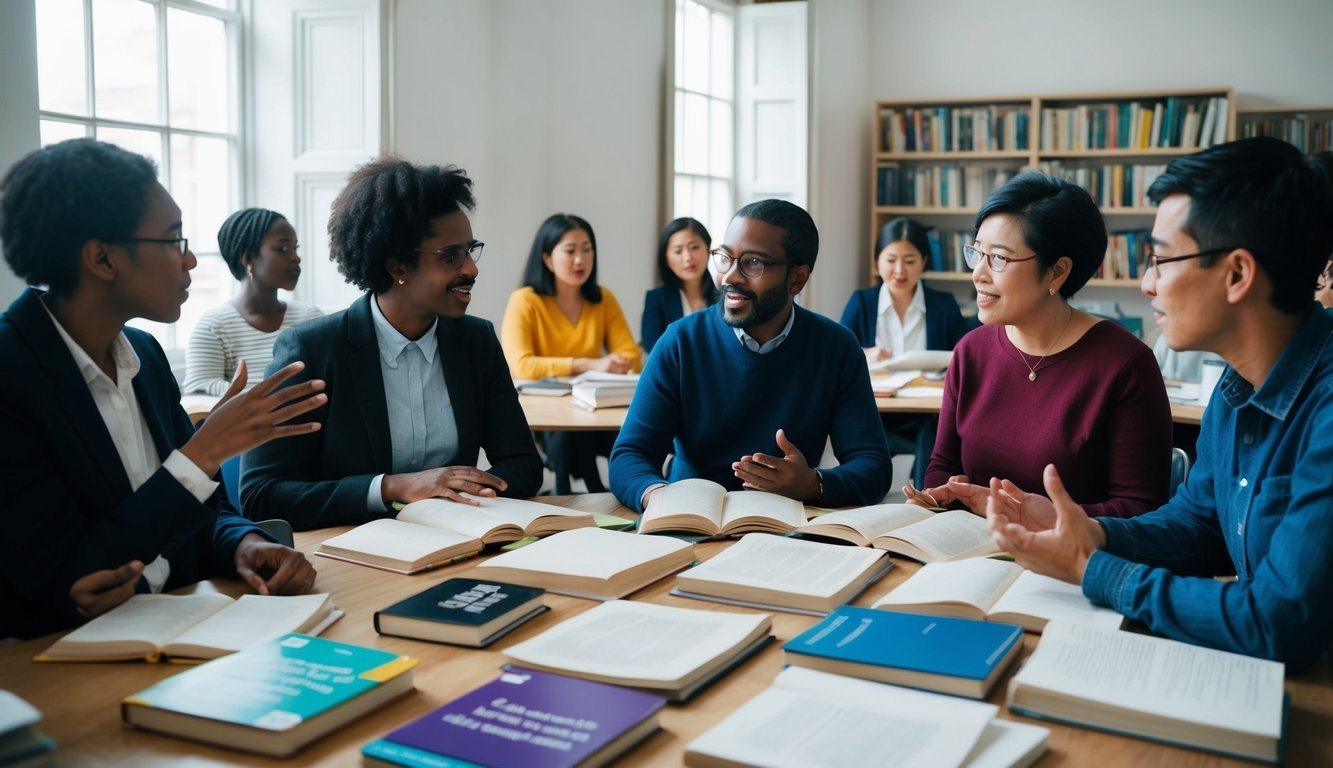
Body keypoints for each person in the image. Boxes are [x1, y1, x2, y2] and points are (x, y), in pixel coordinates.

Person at [986, 137, 1333, 669]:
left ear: (1238, 274)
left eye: (1162, 260)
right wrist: (1089, 530)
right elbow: (1200, 525)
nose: (1147, 283)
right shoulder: (1237, 386)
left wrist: (1092, 567)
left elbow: (1276, 620)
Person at [0, 139, 324, 640]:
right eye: (174, 240)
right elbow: (69, 578)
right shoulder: (11, 371)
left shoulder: (145, 355)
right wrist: (206, 450)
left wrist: (243, 544)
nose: (191, 260)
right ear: (103, 259)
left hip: (186, 626)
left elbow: (199, 513)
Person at [241, 158, 543, 530]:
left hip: (456, 543)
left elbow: (524, 465)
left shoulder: (475, 341)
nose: (471, 269)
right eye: (451, 256)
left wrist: (456, 496)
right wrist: (390, 488)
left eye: (470, 250)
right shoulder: (312, 351)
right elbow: (261, 494)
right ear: (397, 267)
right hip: (348, 555)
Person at [908, 172, 1172, 519]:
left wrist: (1043, 518)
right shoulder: (971, 351)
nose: (979, 274)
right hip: (974, 553)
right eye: (977, 253)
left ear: (1057, 272)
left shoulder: (1125, 364)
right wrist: (946, 492)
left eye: (999, 258)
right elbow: (943, 464)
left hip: (1073, 565)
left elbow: (1140, 508)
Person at [610, 199, 893, 514]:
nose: (730, 276)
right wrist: (658, 496)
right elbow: (630, 455)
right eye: (725, 258)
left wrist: (814, 484)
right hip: (689, 521)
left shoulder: (837, 348)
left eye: (753, 263)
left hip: (788, 527)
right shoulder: (680, 342)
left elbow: (874, 466)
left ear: (797, 279)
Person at [500, 213, 641, 493]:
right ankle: (575, 493)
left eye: (587, 250)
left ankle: (617, 492)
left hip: (594, 407)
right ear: (548, 259)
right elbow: (520, 366)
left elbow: (631, 357)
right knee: (567, 435)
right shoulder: (525, 300)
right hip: (546, 413)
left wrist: (610, 364)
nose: (581, 260)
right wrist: (590, 364)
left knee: (634, 435)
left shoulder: (602, 299)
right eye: (570, 251)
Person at [183, 208, 323, 395]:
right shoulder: (214, 326)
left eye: (295, 248)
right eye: (283, 249)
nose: (296, 257)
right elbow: (198, 392)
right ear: (248, 258)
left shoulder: (310, 317)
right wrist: (271, 400)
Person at [839, 216, 971, 363]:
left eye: (909, 261)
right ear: (877, 262)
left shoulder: (945, 305)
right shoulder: (861, 303)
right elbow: (838, 353)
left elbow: (965, 357)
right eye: (891, 260)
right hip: (875, 386)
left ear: (923, 262)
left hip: (930, 386)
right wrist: (864, 355)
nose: (900, 271)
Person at [641, 217, 718, 354]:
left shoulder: (724, 297)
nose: (688, 257)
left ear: (707, 248)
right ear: (666, 259)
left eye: (694, 247)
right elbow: (654, 349)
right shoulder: (656, 300)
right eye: (678, 251)